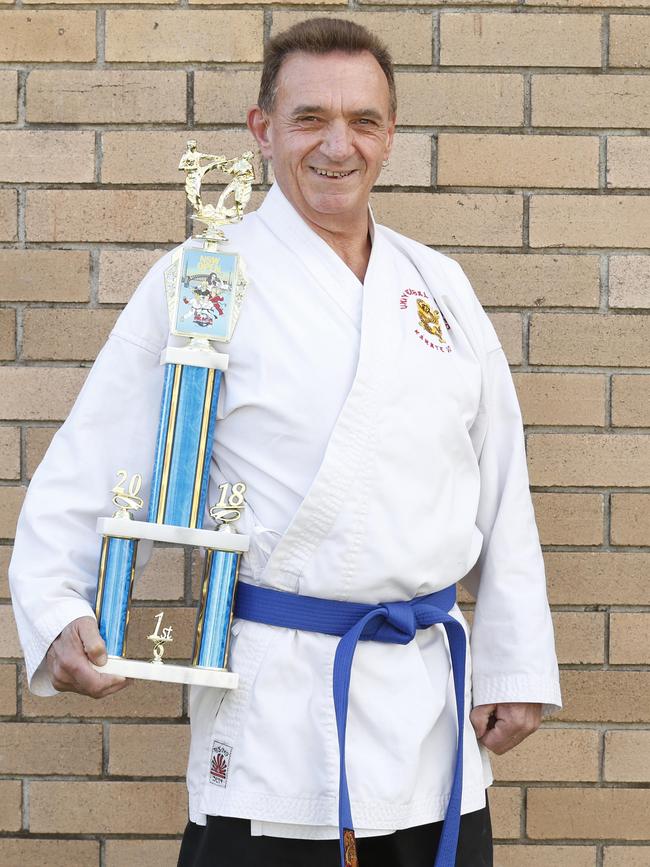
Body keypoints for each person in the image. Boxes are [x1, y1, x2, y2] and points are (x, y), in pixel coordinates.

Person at [9, 18, 561, 867]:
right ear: (262, 130)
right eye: (310, 118)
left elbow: (499, 481)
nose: (338, 145)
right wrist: (57, 606)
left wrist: (515, 658)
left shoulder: (437, 287)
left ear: (390, 136)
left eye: (364, 121)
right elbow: (98, 456)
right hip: (276, 717)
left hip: (427, 718)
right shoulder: (203, 279)